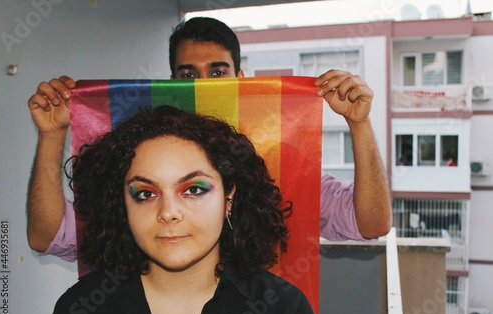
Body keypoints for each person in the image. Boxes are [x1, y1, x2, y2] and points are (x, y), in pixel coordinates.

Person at [27, 17, 392, 262]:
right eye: (189, 74)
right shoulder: (140, 164)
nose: (203, 85)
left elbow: (371, 224)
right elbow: (49, 236)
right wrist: (51, 135)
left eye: (217, 72)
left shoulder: (282, 162)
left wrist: (359, 125)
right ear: (172, 82)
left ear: (241, 77)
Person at [45, 105, 319, 314]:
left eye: (193, 190)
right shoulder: (80, 310)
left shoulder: (282, 312)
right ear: (122, 206)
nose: (168, 212)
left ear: (229, 198)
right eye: (145, 194)